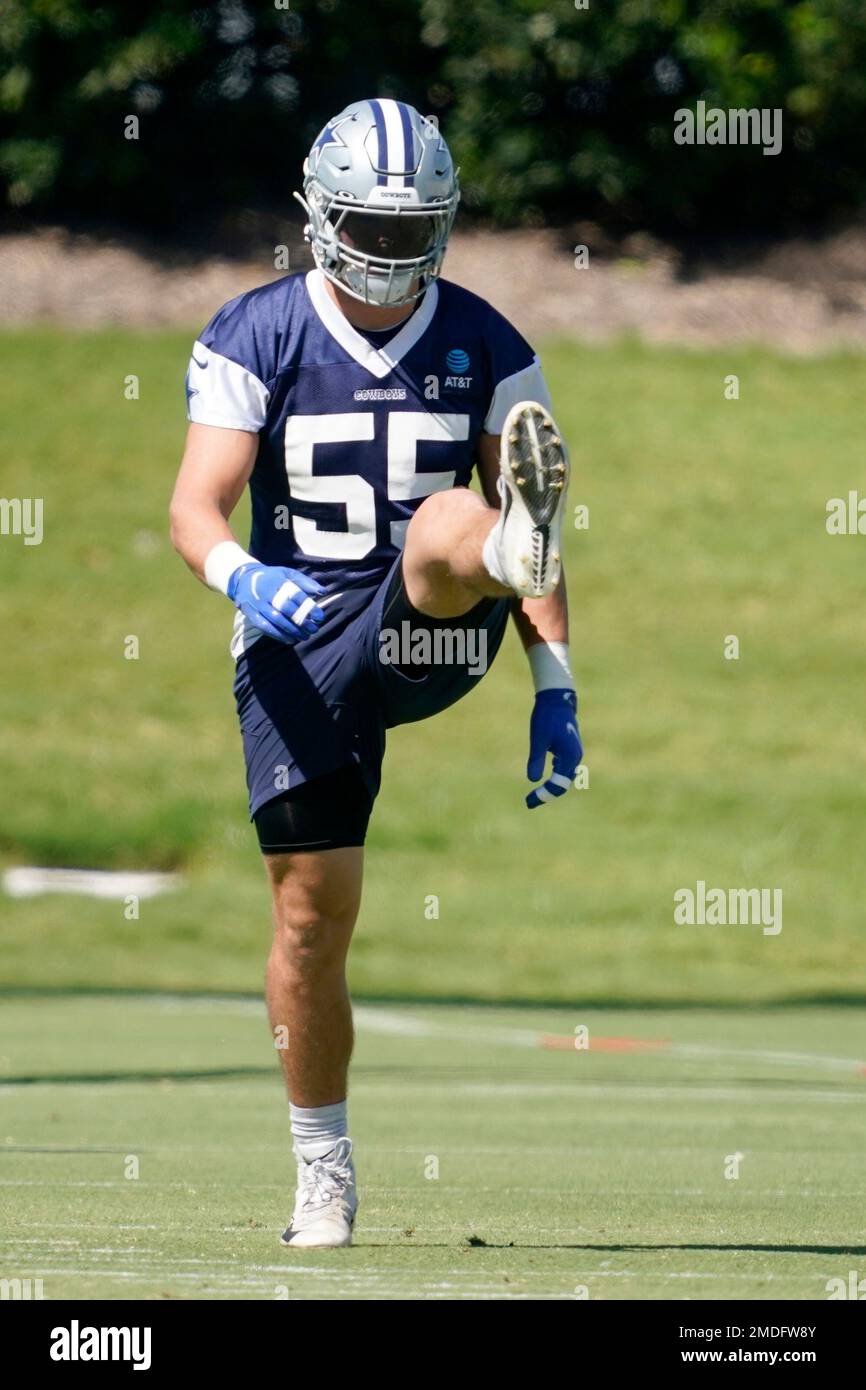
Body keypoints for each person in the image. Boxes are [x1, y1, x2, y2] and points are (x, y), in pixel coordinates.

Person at [169, 98, 582, 1248]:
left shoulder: (486, 341)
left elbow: (532, 515)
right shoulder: (255, 330)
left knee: (454, 521)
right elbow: (192, 507)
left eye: (416, 232)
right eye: (373, 229)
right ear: (320, 215)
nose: (394, 255)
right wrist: (245, 580)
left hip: (432, 617)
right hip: (294, 639)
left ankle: (495, 548)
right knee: (312, 915)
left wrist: (554, 677)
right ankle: (323, 1165)